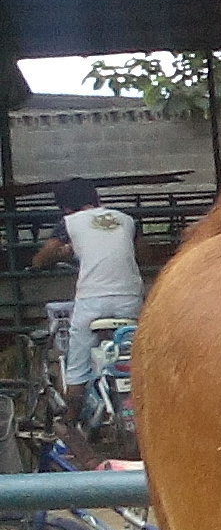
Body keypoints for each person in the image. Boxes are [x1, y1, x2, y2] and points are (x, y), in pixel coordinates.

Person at [30, 178, 144, 465]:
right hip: (131, 299)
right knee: (138, 357)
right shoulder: (126, 219)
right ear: (96, 197)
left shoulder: (70, 222)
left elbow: (44, 257)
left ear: (65, 207)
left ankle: (69, 424)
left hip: (93, 301)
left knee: (77, 365)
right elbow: (125, 251)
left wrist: (46, 259)